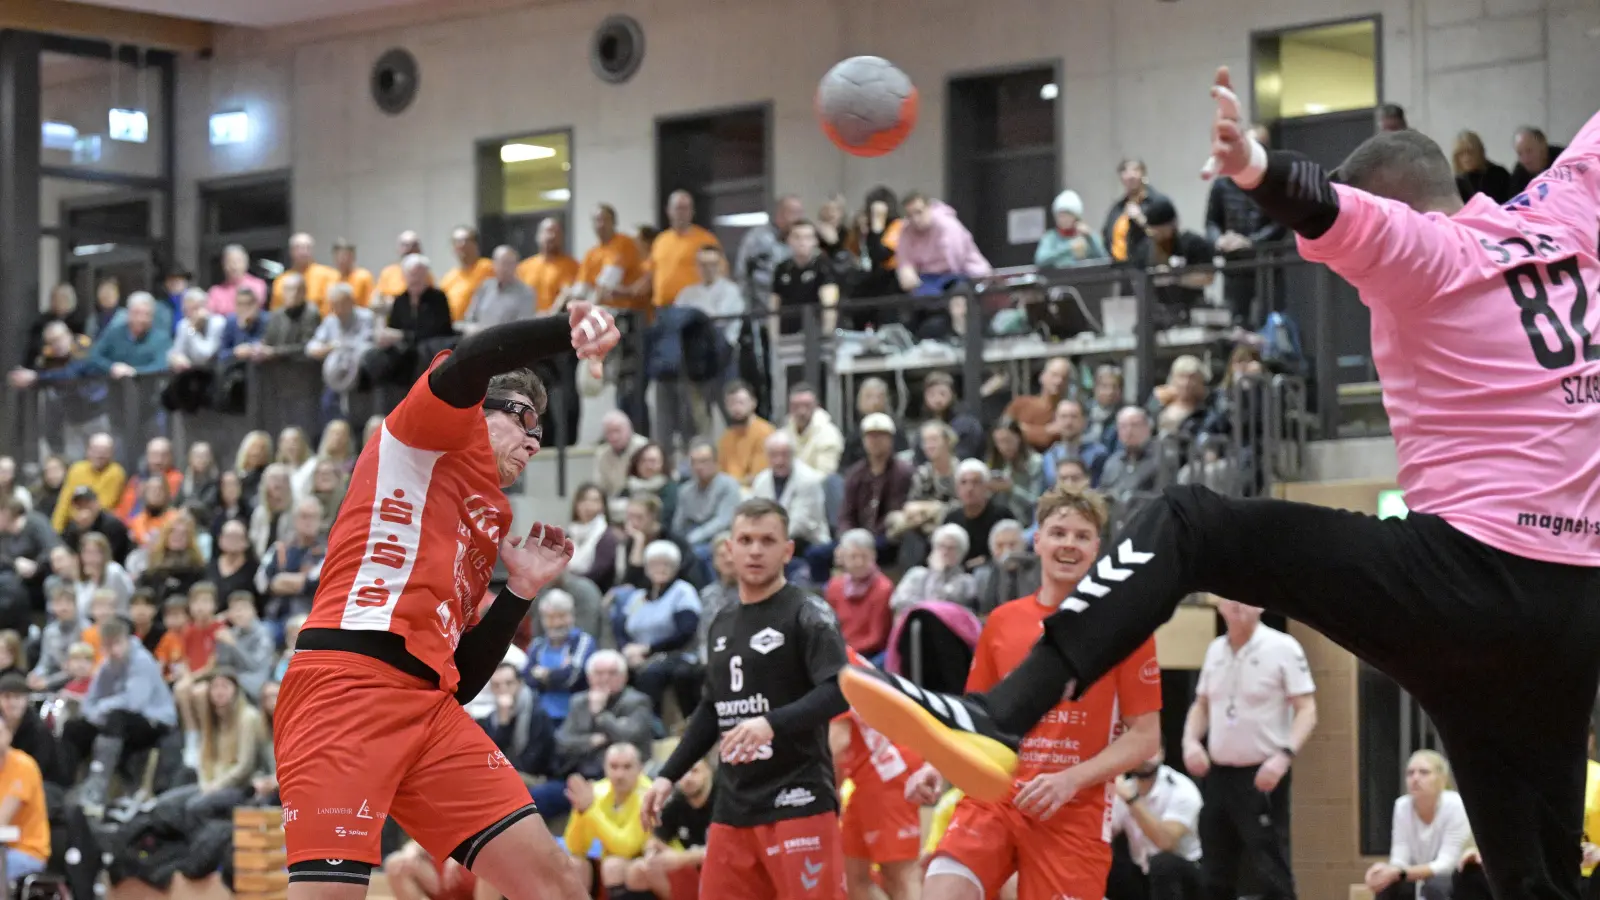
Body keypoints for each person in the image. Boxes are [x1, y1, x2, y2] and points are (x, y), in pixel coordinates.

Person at [840, 65, 1600, 900]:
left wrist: (1253, 168)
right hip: (1570, 614)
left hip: (1462, 576)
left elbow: (1324, 206)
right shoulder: (1569, 207)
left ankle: (996, 716)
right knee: (1539, 881)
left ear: (1400, 206)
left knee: (1190, 523)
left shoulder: (1425, 250)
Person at [274, 303, 621, 900]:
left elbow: (460, 682)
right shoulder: (426, 432)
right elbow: (475, 358)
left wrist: (519, 593)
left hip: (429, 707)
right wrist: (565, 329)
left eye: (542, 433)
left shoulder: (491, 514)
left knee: (558, 884)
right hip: (346, 689)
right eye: (524, 422)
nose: (535, 444)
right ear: (481, 410)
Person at [901, 486, 1161, 900]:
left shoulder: (1126, 631)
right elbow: (976, 718)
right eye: (1058, 533)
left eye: (1081, 536)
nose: (1069, 545)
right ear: (1037, 541)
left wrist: (1070, 780)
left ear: (1097, 548)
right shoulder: (1003, 622)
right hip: (996, 797)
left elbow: (1146, 737)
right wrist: (938, 765)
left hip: (1073, 810)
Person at [642, 498, 850, 900]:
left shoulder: (808, 612)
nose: (756, 550)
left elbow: (839, 691)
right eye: (746, 540)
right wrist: (668, 775)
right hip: (733, 808)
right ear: (730, 549)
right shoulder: (720, 621)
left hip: (799, 800)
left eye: (768, 540)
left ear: (787, 550)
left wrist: (770, 723)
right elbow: (711, 709)